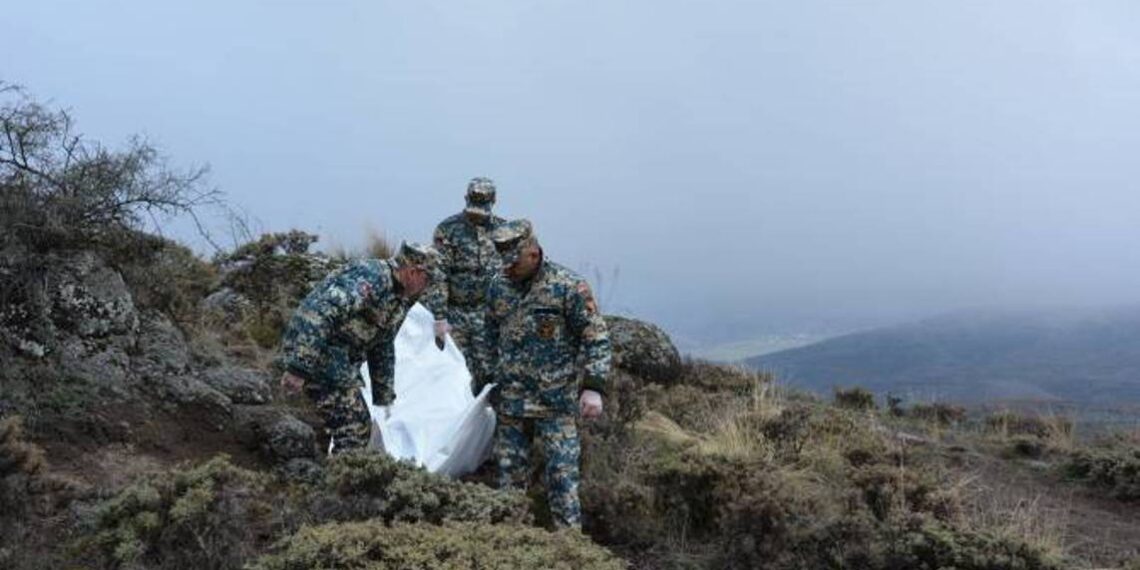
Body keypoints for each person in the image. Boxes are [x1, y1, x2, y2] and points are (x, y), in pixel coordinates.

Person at [485, 219, 611, 528]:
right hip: (511, 404)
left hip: (555, 404)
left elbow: (596, 337)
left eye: (513, 261)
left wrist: (593, 386)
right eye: (502, 261)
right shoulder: (498, 286)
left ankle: (569, 552)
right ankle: (507, 548)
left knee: (562, 482)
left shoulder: (568, 286)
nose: (507, 268)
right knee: (508, 484)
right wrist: (484, 378)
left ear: (532, 252)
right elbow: (488, 334)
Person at [278, 242, 443, 454]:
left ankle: (339, 477)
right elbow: (321, 312)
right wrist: (298, 368)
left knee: (356, 425)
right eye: (427, 279)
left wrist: (384, 397)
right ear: (413, 272)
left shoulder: (399, 298)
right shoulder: (372, 278)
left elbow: (382, 344)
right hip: (318, 351)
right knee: (354, 427)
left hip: (338, 361)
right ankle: (341, 482)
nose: (427, 286)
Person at [422, 177, 505, 393]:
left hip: (489, 317)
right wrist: (439, 317)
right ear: (466, 198)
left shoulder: (504, 232)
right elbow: (438, 274)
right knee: (455, 373)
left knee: (490, 374)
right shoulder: (448, 230)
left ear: (494, 201)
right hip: (455, 315)